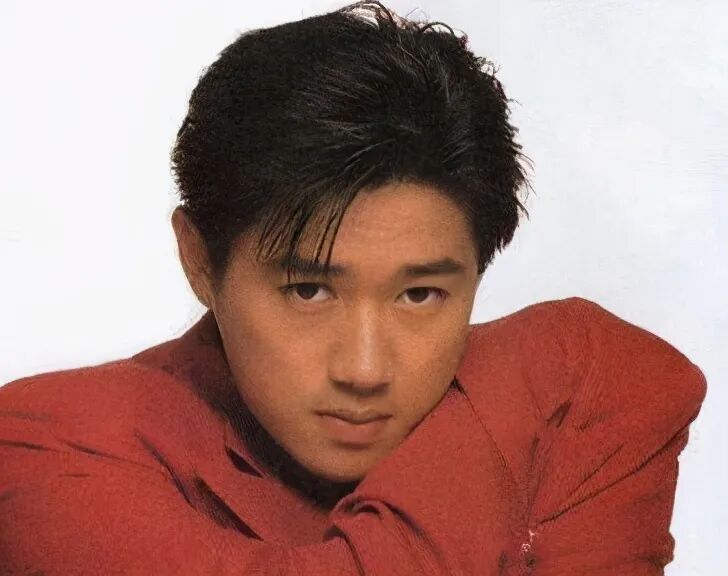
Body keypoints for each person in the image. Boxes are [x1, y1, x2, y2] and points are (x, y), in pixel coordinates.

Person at [0, 1, 707, 574]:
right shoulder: (51, 442)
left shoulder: (594, 405)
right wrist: (559, 352)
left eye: (419, 295)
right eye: (309, 291)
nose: (364, 370)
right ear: (200, 260)